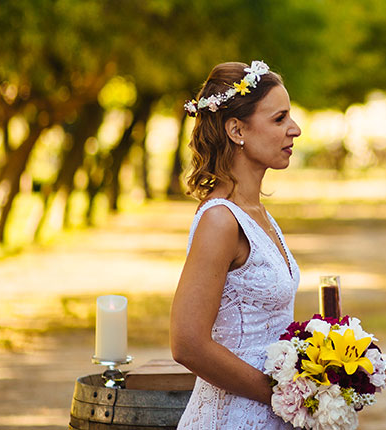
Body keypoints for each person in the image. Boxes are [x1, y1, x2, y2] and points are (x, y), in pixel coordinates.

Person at [170, 60, 302, 429]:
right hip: (233, 417)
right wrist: (280, 395)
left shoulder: (259, 213)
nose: (295, 129)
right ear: (236, 130)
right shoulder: (219, 220)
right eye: (279, 119)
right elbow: (187, 343)